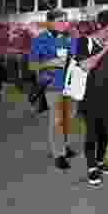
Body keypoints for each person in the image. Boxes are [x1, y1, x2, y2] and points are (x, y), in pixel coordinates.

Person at [75, 10, 108, 186]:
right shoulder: (84, 41)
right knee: (92, 132)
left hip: (107, 94)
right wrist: (104, 49)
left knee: (105, 132)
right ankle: (91, 167)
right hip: (89, 94)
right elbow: (85, 66)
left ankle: (100, 161)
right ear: (99, 26)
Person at [29, 10, 78, 170]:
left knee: (68, 119)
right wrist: (51, 63)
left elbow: (77, 57)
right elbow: (32, 65)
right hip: (52, 86)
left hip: (71, 86)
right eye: (60, 21)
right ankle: (59, 154)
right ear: (49, 22)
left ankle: (64, 145)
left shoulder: (69, 38)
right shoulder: (39, 40)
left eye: (65, 21)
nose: (64, 24)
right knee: (57, 121)